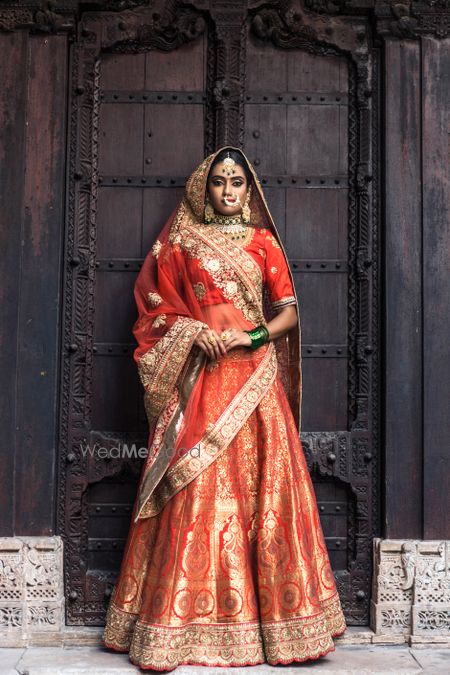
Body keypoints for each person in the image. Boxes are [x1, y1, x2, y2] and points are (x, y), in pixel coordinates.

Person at [102, 146, 346, 671]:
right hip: (201, 381)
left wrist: (247, 336)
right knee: (195, 488)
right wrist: (192, 332)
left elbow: (287, 314)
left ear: (248, 189)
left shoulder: (262, 242)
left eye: (237, 181)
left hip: (256, 383)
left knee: (267, 496)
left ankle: (280, 630)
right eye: (218, 181)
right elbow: (153, 307)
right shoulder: (180, 243)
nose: (229, 190)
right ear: (202, 187)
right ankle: (180, 627)